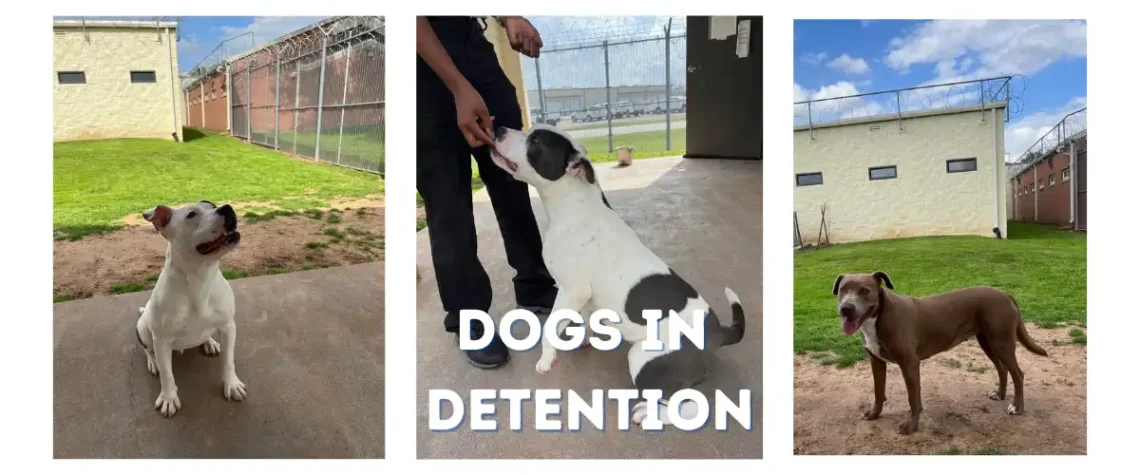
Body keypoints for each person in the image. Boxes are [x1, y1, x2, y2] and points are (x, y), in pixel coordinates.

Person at [416, 16, 558, 369]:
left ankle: (534, 283)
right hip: (420, 67)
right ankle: (467, 314)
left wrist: (508, 15)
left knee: (513, 179)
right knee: (447, 200)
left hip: (472, 45)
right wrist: (458, 88)